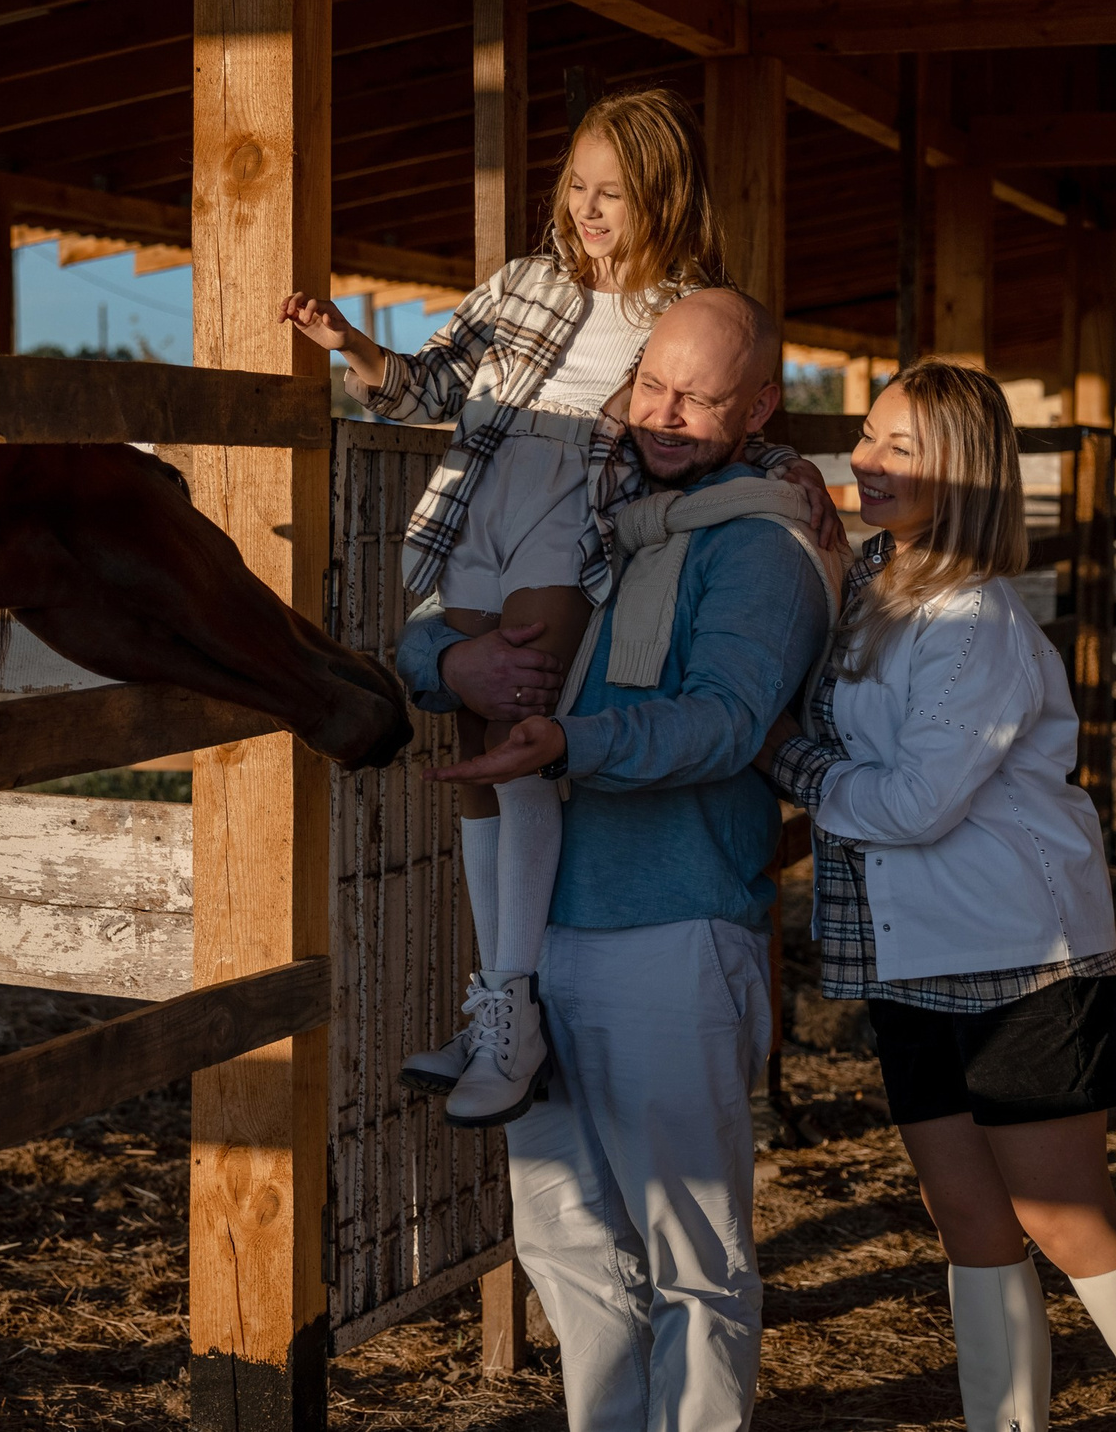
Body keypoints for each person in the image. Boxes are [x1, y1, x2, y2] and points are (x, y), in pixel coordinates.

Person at [281, 88, 826, 1127]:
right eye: (576, 186)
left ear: (662, 198)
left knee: (520, 714)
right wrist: (351, 347)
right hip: (480, 502)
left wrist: (794, 470)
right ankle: (503, 998)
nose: (587, 209)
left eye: (611, 194)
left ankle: (510, 999)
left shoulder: (685, 308)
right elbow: (432, 383)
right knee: (480, 732)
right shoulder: (521, 285)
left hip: (578, 516)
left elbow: (724, 417)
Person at [755, 359, 1116, 1432]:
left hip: (1018, 957)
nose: (867, 463)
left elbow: (918, 802)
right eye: (868, 438)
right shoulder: (871, 584)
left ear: (964, 474)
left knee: (1066, 1219)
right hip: (908, 957)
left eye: (900, 449)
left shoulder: (971, 621)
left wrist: (786, 761)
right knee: (966, 1218)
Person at [414, 288, 839, 1432]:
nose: (665, 412)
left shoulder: (762, 549)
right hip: (540, 941)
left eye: (699, 398)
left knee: (690, 1252)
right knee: (560, 1236)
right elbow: (423, 622)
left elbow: (725, 721)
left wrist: (572, 740)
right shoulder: (600, 514)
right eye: (652, 382)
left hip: (673, 928)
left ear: (759, 407)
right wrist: (449, 667)